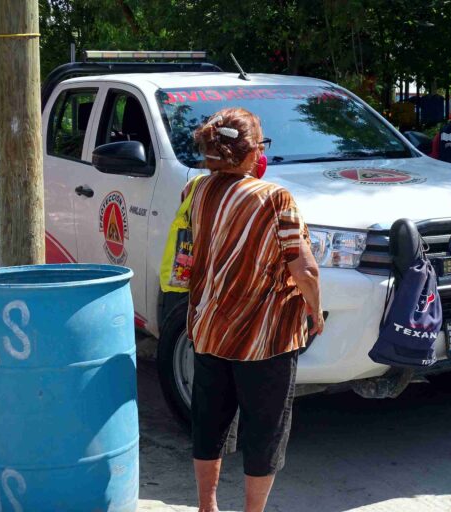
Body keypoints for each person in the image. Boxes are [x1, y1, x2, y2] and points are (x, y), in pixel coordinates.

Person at [188, 108, 324, 512]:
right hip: (265, 336)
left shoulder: (195, 190)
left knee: (209, 423)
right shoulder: (275, 197)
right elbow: (304, 268)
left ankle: (207, 506)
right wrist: (316, 312)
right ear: (250, 151)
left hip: (210, 327)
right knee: (265, 430)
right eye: (262, 142)